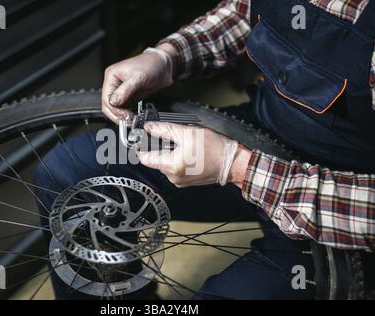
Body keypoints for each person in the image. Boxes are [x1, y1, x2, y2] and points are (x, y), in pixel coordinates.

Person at [34, 0, 375, 299]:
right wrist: (168, 56)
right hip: (259, 133)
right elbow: (246, 12)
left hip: (338, 208)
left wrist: (237, 167)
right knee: (67, 172)